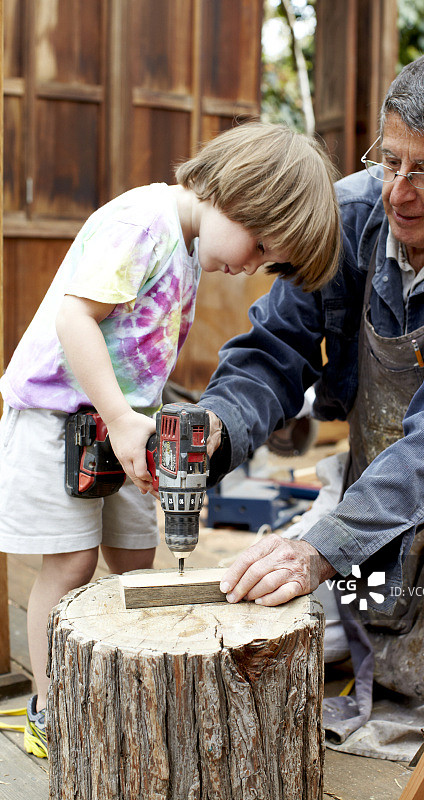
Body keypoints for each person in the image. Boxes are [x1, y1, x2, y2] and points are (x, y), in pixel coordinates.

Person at [200, 51, 424, 760]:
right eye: (388, 161)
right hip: (376, 476)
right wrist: (215, 428)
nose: (397, 192)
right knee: (336, 621)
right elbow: (274, 350)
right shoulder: (350, 214)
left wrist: (319, 548)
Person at [0, 121, 341, 758]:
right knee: (70, 564)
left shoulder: (186, 247)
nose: (248, 266)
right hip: (58, 417)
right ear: (237, 192)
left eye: (267, 261)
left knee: (136, 556)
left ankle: (132, 685)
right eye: (258, 243)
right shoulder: (143, 222)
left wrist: (138, 427)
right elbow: (73, 318)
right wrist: (125, 418)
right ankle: (49, 706)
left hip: (117, 425)